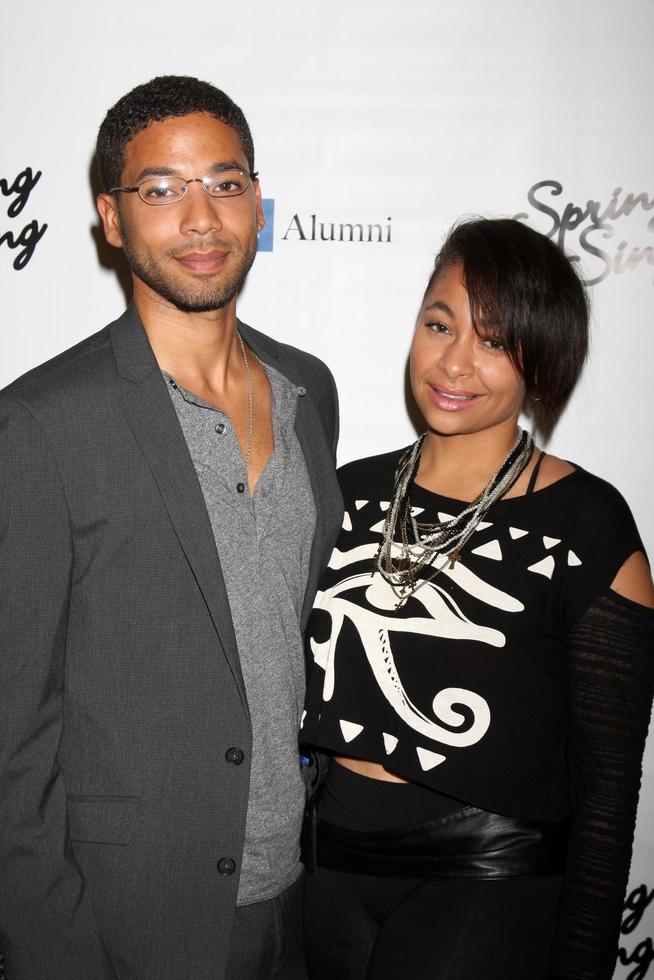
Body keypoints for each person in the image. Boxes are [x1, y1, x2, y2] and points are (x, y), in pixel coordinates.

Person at [0, 75, 342, 980]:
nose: (201, 218)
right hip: (129, 925)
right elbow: (9, 742)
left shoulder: (310, 392)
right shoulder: (40, 424)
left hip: (300, 901)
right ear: (111, 219)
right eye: (160, 190)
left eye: (225, 185)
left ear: (258, 201)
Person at [300, 217, 654, 980]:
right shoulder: (349, 490)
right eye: (440, 324)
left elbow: (608, 787)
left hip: (482, 879)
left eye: (495, 341)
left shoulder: (589, 522)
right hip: (324, 866)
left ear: (544, 361)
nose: (455, 362)